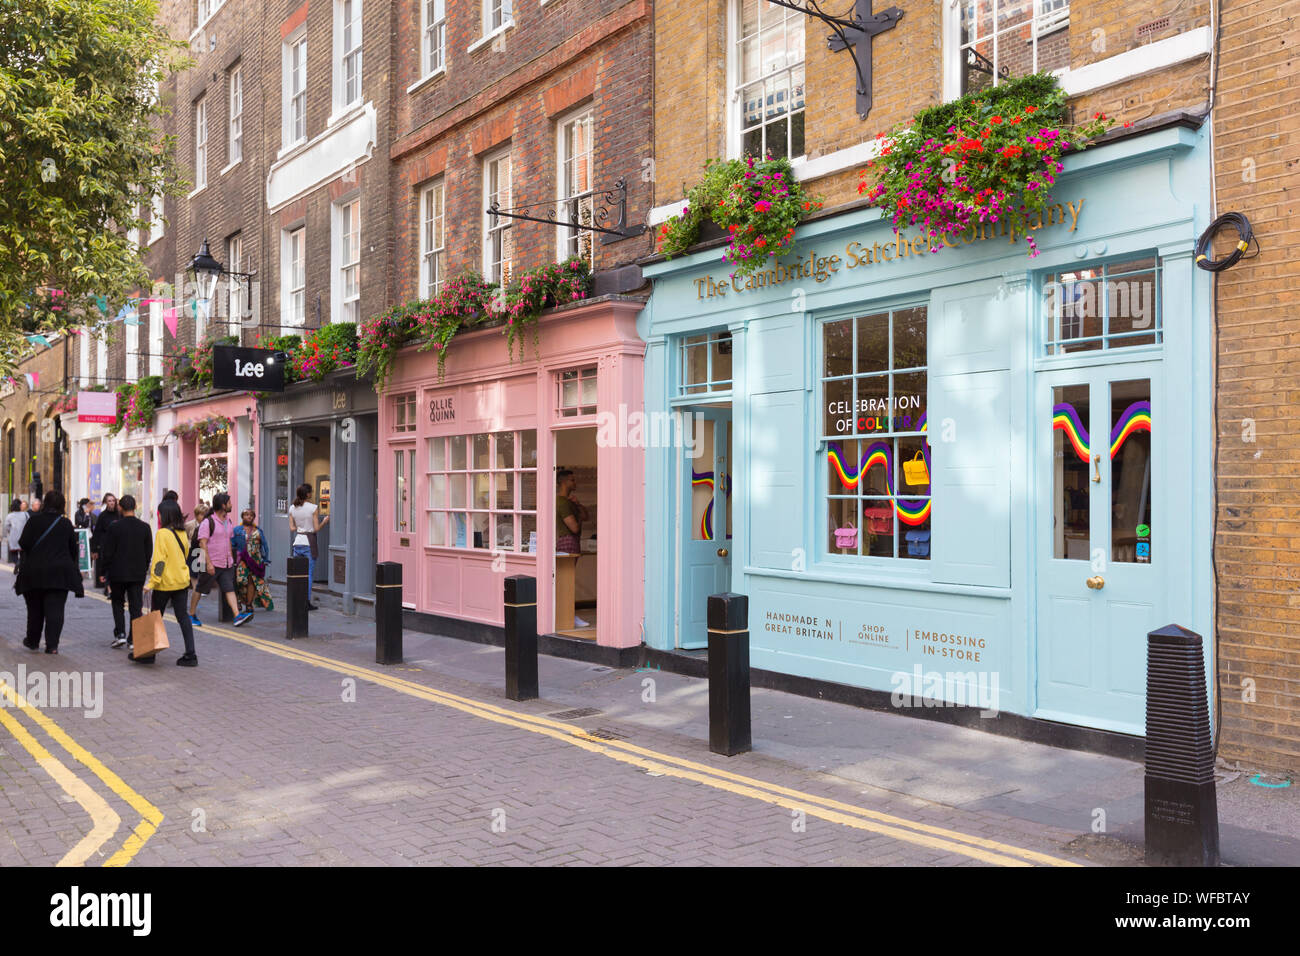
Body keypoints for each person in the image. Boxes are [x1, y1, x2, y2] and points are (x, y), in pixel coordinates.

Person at [14, 490, 83, 653]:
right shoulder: (65, 524)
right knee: (56, 610)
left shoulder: (33, 521)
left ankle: (32, 640)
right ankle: (52, 645)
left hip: (34, 572)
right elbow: (73, 550)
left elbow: (23, 543)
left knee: (35, 610)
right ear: (62, 506)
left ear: (45, 503)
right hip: (59, 574)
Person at [143, 498, 196, 666]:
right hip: (181, 581)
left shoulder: (162, 533)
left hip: (164, 583)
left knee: (155, 617)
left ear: (163, 515)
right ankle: (191, 654)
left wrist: (152, 582)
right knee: (183, 617)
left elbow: (159, 561)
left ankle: (149, 654)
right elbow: (185, 555)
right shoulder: (182, 533)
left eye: (159, 513)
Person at [101, 494, 153, 650]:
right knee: (136, 606)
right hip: (137, 573)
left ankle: (120, 634)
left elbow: (108, 551)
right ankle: (133, 639)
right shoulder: (144, 527)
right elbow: (148, 552)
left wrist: (105, 570)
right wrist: (143, 568)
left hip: (117, 572)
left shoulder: (114, 527)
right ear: (135, 507)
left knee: (117, 603)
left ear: (120, 508)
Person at [197, 492, 252, 626]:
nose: (231, 504)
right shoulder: (208, 522)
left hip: (226, 562)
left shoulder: (228, 521)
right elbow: (202, 543)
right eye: (229, 502)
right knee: (199, 590)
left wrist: (231, 559)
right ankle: (192, 613)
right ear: (223, 505)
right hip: (211, 562)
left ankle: (237, 616)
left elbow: (228, 540)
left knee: (229, 589)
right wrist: (209, 564)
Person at [288, 483, 328, 610]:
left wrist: (301, 527)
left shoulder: (292, 508)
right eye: (311, 491)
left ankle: (296, 600)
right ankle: (306, 601)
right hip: (309, 543)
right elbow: (315, 529)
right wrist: (324, 522)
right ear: (308, 494)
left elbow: (292, 528)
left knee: (297, 574)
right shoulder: (313, 508)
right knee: (308, 574)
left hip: (297, 542)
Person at [232, 509, 274, 613]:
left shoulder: (258, 531)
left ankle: (249, 604)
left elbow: (264, 546)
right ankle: (239, 600)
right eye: (246, 515)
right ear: (242, 516)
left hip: (255, 561)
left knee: (252, 581)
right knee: (240, 581)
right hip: (242, 559)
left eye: (251, 515)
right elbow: (232, 545)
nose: (249, 517)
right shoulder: (236, 530)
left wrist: (265, 560)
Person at [89, 492, 121, 596]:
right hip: (105, 546)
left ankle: (112, 588)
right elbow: (97, 532)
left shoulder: (120, 514)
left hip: (118, 546)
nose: (112, 503)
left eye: (113, 501)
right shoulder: (102, 516)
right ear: (105, 503)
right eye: (109, 501)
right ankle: (109, 589)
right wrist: (94, 549)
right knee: (107, 567)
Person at [184, 503, 208, 624]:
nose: (203, 517)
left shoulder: (208, 525)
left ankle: (192, 608)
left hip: (203, 555)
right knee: (196, 583)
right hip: (193, 555)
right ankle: (192, 611)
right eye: (201, 514)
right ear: (196, 515)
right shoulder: (189, 525)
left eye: (205, 514)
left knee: (200, 582)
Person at [555, 469, 589, 555]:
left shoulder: (569, 501)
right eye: (572, 480)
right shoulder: (562, 503)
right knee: (568, 568)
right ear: (564, 483)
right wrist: (580, 518)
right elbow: (575, 528)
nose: (575, 483)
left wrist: (578, 504)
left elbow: (586, 517)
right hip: (568, 541)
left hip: (573, 540)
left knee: (569, 568)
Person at [5, 498, 30, 569]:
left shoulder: (9, 516)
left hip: (13, 537)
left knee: (13, 554)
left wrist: (12, 531)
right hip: (24, 537)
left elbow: (6, 527)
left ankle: (17, 562)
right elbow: (29, 524)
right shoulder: (25, 514)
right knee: (23, 553)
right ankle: (20, 563)